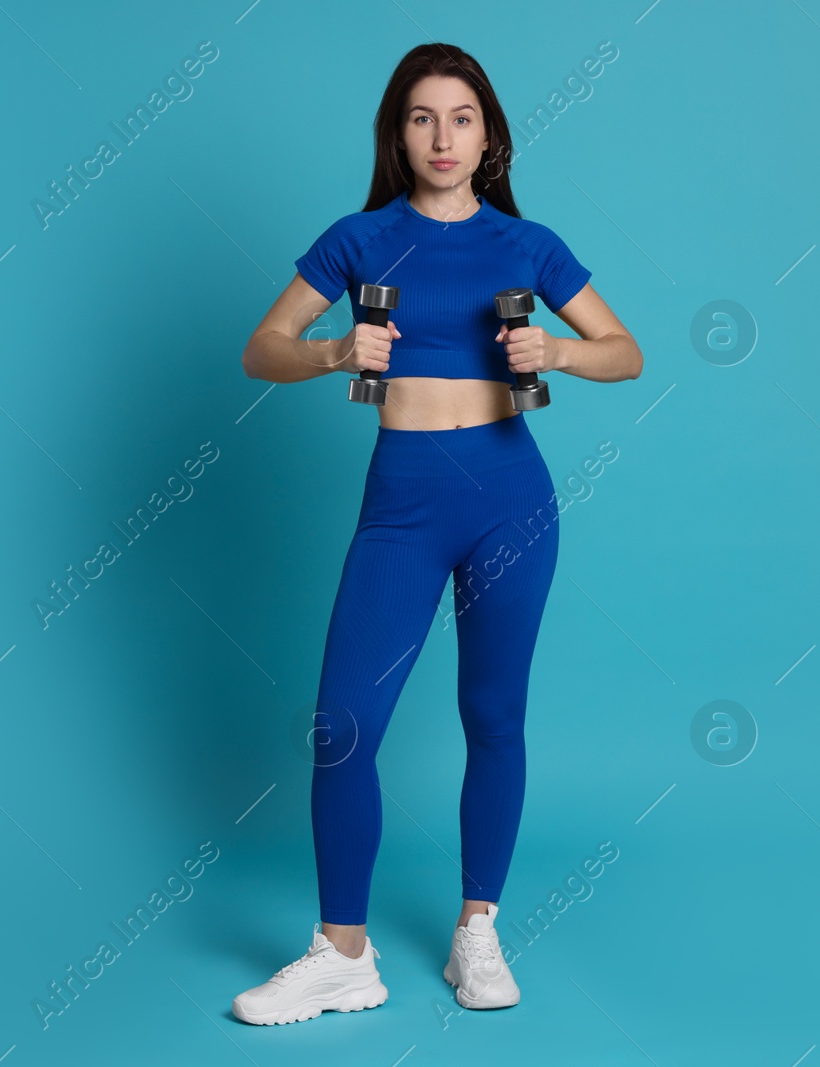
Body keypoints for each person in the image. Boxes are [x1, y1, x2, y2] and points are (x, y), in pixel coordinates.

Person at [232, 41, 641, 1027]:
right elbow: (260, 349)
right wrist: (332, 350)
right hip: (403, 501)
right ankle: (342, 952)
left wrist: (563, 352)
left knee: (494, 715)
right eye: (421, 117)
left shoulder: (526, 243)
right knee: (343, 726)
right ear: (397, 134)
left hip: (510, 496)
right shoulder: (358, 237)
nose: (442, 136)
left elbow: (626, 352)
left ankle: (477, 928)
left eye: (461, 117)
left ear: (489, 134)